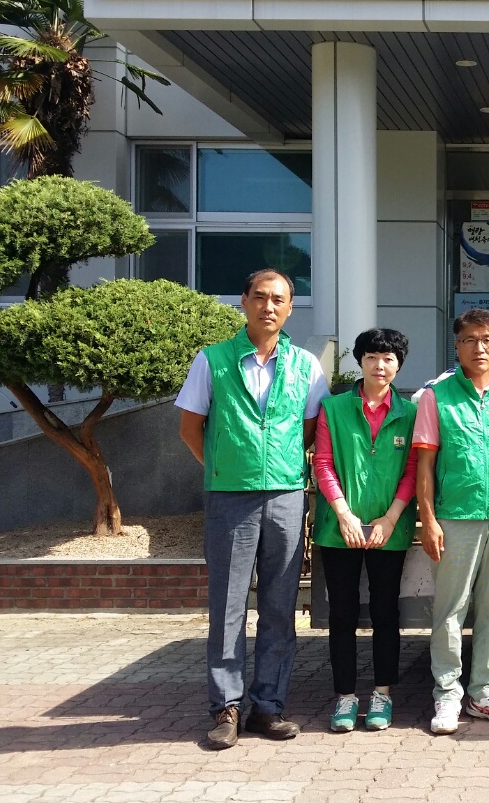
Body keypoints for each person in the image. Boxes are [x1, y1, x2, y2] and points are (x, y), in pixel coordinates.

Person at [177, 268, 329, 750]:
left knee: (281, 608)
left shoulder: (307, 366)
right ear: (243, 302)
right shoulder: (212, 360)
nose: (268, 306)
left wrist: (276, 467)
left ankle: (268, 706)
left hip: (285, 495)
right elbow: (190, 427)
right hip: (229, 497)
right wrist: (225, 466)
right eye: (259, 297)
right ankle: (226, 707)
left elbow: (310, 429)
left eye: (278, 299)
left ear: (289, 308)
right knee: (226, 605)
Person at [413, 308, 489, 735]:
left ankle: (484, 693)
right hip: (455, 518)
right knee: (449, 611)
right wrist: (427, 520)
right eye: (470, 340)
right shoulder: (436, 396)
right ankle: (447, 695)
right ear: (458, 345)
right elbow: (424, 464)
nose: (479, 347)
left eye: (487, 340)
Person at [312, 328, 419, 734]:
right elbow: (323, 462)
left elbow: (412, 470)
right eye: (373, 357)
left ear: (398, 365)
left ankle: (382, 694)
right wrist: (343, 513)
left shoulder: (409, 414)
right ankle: (344, 696)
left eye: (389, 358)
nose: (380, 365)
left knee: (385, 612)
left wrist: (391, 518)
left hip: (389, 529)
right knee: (341, 614)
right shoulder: (334, 408)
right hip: (341, 528)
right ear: (360, 361)